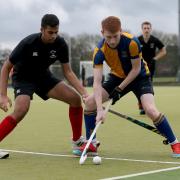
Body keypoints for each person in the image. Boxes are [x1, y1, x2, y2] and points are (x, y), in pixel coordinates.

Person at [77, 16, 180, 158]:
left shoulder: (132, 42)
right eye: (108, 37)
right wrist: (99, 109)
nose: (112, 41)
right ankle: (92, 144)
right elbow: (97, 82)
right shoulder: (99, 51)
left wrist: (120, 89)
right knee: (90, 104)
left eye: (115, 36)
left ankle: (175, 142)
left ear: (120, 30)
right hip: (116, 77)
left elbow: (136, 69)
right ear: (102, 33)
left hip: (140, 77)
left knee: (150, 110)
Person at [0, 14, 88, 159]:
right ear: (42, 29)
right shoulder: (28, 42)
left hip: (43, 77)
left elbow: (68, 72)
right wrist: (2, 95)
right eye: (50, 32)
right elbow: (6, 67)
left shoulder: (60, 44)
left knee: (75, 99)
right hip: (23, 77)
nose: (53, 36)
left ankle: (77, 142)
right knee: (21, 109)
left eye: (56, 32)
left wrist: (84, 93)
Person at [137, 21, 167, 115]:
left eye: (148, 28)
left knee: (148, 86)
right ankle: (141, 105)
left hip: (150, 66)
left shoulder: (154, 40)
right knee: (138, 85)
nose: (146, 30)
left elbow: (163, 51)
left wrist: (155, 58)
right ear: (142, 29)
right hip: (139, 66)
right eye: (144, 28)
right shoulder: (137, 40)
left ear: (151, 29)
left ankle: (148, 106)